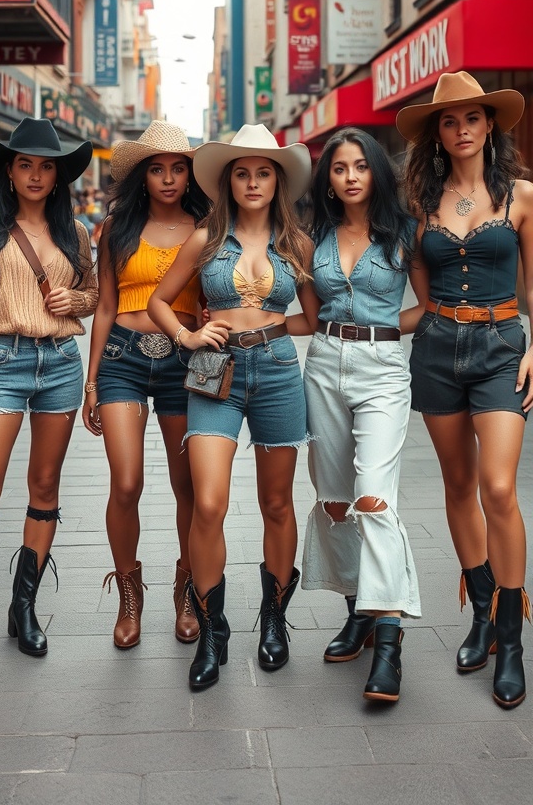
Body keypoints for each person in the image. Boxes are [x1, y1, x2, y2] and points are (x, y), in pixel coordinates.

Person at [148, 123, 318, 690]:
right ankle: (214, 628)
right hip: (211, 371)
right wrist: (188, 336)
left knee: (277, 503)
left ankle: (274, 619)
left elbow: (312, 318)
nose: (252, 181)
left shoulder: (297, 245)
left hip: (275, 371)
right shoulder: (203, 239)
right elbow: (157, 301)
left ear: (277, 182)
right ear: (228, 182)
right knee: (209, 503)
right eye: (242, 173)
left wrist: (270, 328)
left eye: (262, 172)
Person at [398, 71, 533, 709]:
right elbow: (419, 291)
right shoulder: (420, 204)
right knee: (457, 486)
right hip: (438, 349)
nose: (461, 131)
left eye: (471, 119)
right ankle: (480, 612)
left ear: (489, 127)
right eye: (449, 122)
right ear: (438, 134)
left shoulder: (524, 198)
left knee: (499, 487)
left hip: (504, 348)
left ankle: (511, 635)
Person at [0, 117, 97, 658]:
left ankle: (25, 606)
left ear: (58, 175)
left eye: (46, 166)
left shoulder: (75, 233)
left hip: (60, 363)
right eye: (25, 165)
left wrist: (74, 302)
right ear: (9, 173)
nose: (36, 175)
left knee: (45, 488)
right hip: (2, 364)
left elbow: (91, 292)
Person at [301, 128, 422, 704]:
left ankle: (391, 641)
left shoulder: (403, 234)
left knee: (374, 496)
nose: (350, 177)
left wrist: (380, 332)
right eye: (339, 168)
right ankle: (360, 612)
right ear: (327, 178)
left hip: (381, 367)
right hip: (323, 363)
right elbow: (304, 312)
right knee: (333, 498)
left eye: (359, 166)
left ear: (376, 172)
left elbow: (429, 305)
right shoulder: (314, 237)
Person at [82, 121, 209, 649]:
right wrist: (91, 381)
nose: (168, 179)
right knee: (127, 482)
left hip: (183, 360)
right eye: (157, 169)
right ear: (141, 176)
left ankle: (186, 591)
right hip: (122, 361)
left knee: (188, 487)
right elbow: (107, 305)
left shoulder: (206, 226)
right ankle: (129, 594)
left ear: (190, 174)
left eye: (178, 169)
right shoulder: (117, 227)